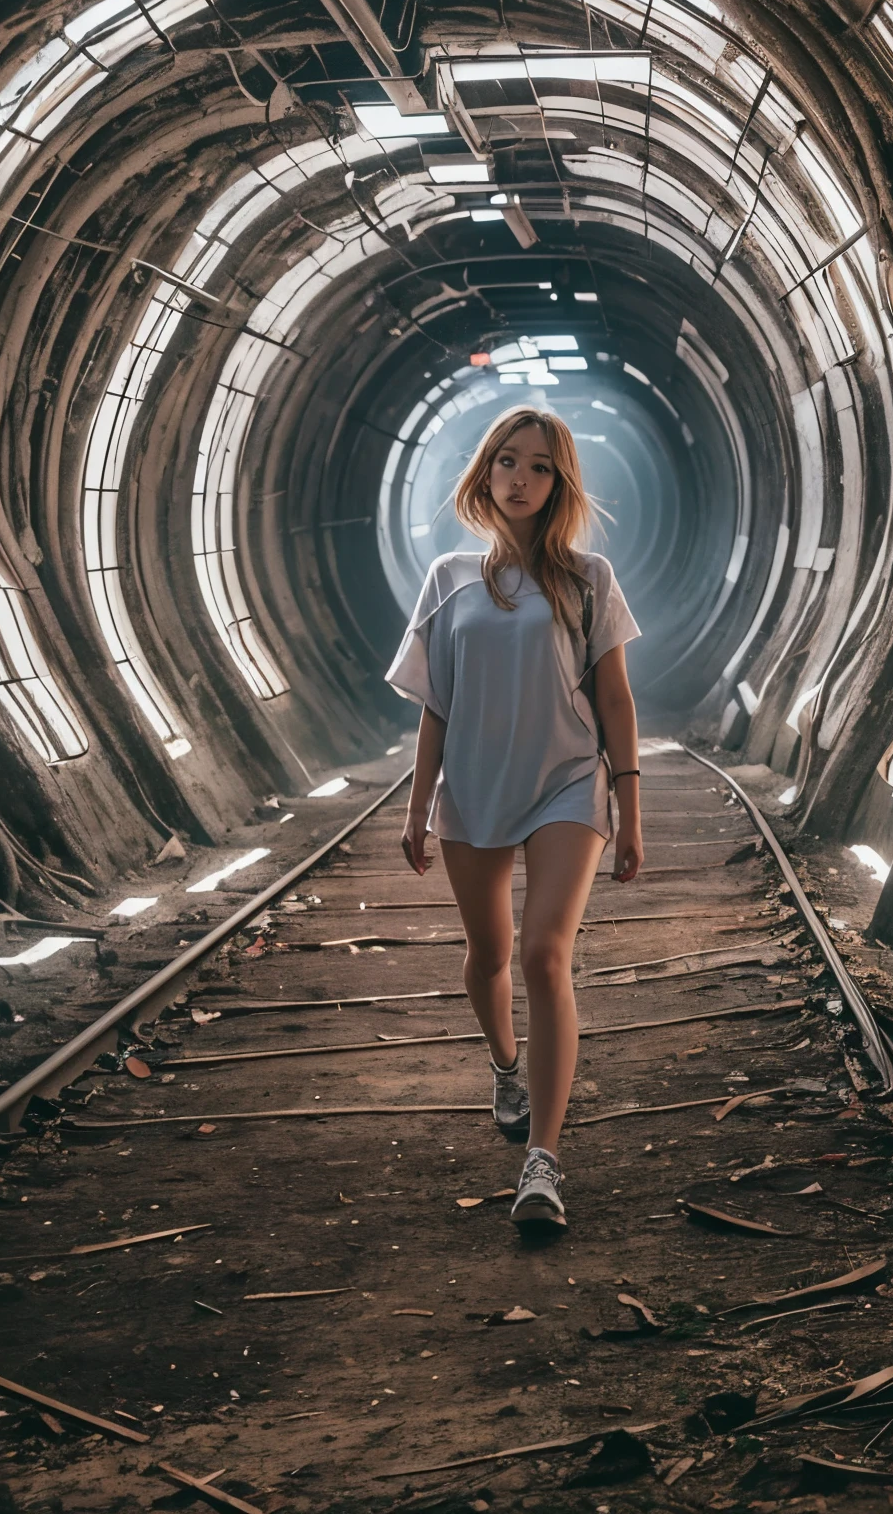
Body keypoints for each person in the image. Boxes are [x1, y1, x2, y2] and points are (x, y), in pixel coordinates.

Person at [386, 405, 642, 1229]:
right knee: (487, 956)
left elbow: (615, 698)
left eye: (538, 466)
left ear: (560, 482)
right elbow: (435, 705)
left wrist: (629, 808)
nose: (520, 478)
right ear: (484, 475)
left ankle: (544, 1157)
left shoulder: (588, 578)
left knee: (542, 955)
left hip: (568, 782)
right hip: (475, 785)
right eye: (506, 462)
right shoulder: (448, 578)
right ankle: (506, 1066)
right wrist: (418, 804)